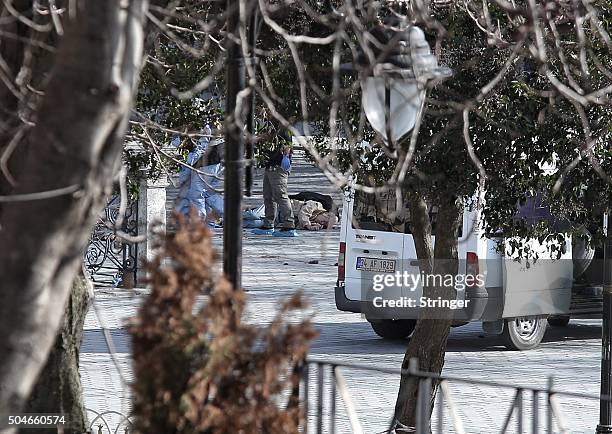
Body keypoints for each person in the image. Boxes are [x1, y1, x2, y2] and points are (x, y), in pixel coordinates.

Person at [175, 126, 224, 225]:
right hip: (215, 161)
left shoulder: (200, 125)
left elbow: (201, 146)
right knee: (207, 193)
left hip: (207, 163)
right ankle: (218, 217)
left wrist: (189, 163)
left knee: (197, 194)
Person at [252, 141, 297, 237]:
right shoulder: (270, 128)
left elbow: (287, 143)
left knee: (281, 196)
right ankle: (268, 224)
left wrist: (285, 157)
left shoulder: (282, 128)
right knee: (268, 196)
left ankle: (289, 225)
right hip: (270, 166)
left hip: (279, 167)